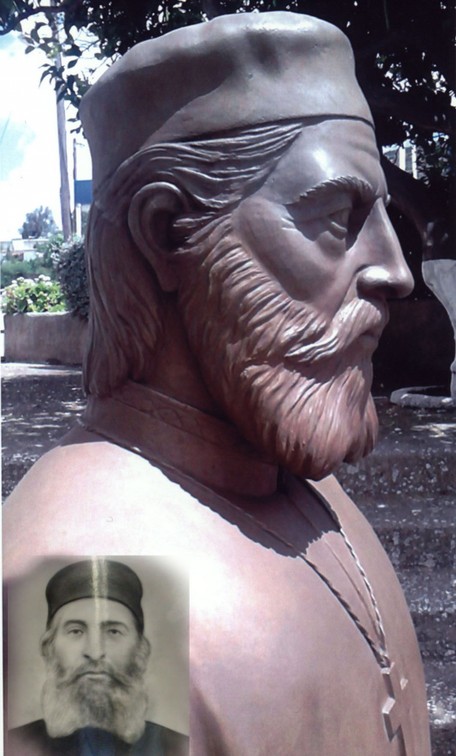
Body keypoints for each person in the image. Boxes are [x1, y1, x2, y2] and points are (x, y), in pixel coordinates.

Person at [4, 12, 431, 754]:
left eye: (384, 215)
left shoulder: (298, 485)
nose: (395, 270)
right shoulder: (92, 592)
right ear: (166, 231)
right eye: (338, 215)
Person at [7, 559, 189, 755]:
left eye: (113, 632)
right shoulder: (12, 745)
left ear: (140, 651)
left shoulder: (180, 748)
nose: (95, 653)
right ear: (48, 649)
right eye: (76, 631)